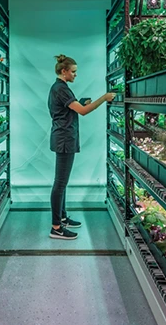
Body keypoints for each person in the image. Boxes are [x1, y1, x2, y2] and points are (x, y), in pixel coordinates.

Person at [47, 54, 116, 240]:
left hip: (64, 137)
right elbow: (83, 112)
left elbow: (71, 108)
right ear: (64, 71)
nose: (76, 75)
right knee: (60, 183)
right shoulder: (61, 89)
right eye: (74, 72)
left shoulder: (60, 88)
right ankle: (56, 228)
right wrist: (104, 98)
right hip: (64, 140)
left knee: (62, 183)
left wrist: (82, 101)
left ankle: (61, 217)